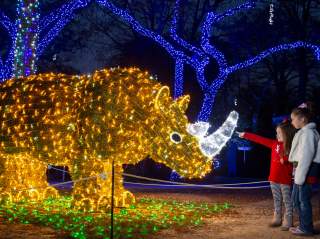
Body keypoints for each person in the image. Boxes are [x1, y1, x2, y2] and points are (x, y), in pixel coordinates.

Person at [238, 120, 296, 230]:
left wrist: (286, 159)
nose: (277, 135)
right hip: (273, 178)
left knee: (287, 200)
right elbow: (259, 139)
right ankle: (277, 218)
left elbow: (294, 158)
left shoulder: (291, 146)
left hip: (285, 179)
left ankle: (288, 219)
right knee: (276, 198)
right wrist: (245, 135)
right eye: (276, 133)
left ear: (287, 133)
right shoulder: (273, 143)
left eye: (279, 133)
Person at [288, 102, 320, 236]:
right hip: (300, 171)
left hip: (306, 171)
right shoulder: (303, 132)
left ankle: (306, 228)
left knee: (303, 200)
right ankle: (303, 225)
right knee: (296, 200)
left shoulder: (308, 133)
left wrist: (300, 176)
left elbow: (306, 155)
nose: (292, 122)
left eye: (293, 118)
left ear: (303, 119)